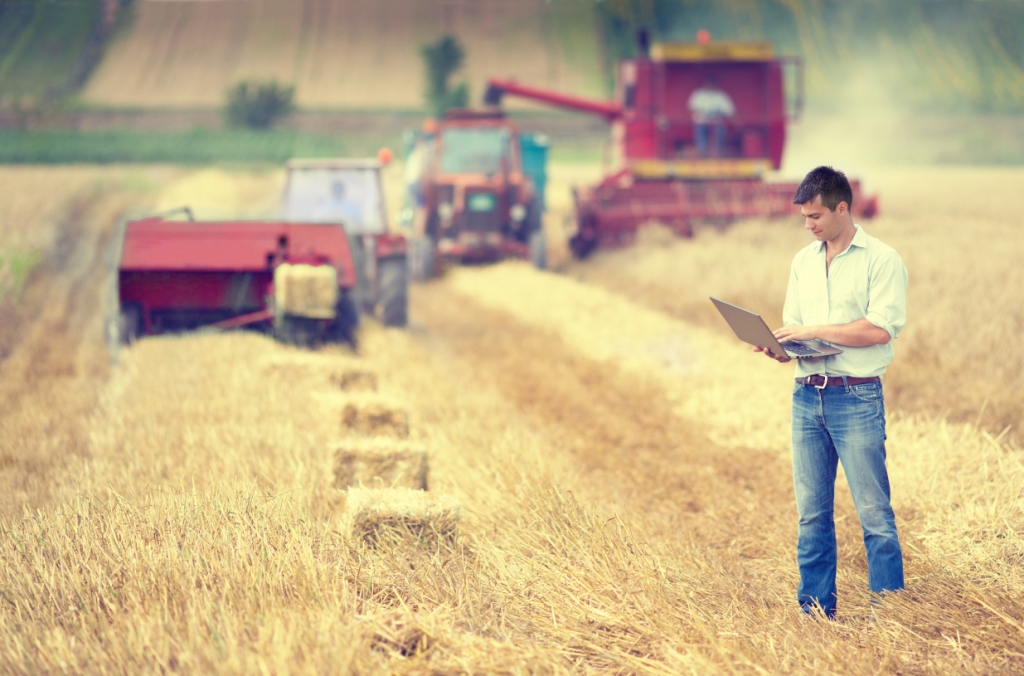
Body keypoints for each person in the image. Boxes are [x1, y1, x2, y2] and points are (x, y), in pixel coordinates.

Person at [754, 166, 907, 620]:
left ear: (843, 207)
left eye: (816, 215)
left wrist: (812, 330)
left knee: (874, 515)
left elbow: (879, 329)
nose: (809, 225)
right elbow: (800, 336)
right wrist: (780, 348)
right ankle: (815, 611)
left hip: (856, 398)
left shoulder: (881, 259)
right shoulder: (802, 262)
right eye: (804, 217)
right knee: (812, 516)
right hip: (806, 396)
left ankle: (892, 615)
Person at [687, 75, 735, 158]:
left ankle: (718, 154)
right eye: (709, 83)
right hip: (701, 122)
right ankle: (702, 154)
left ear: (716, 84)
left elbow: (729, 111)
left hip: (717, 123)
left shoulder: (721, 96)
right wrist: (703, 114)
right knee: (700, 130)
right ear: (705, 84)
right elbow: (691, 108)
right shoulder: (699, 94)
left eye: (712, 83)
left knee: (721, 131)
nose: (710, 85)